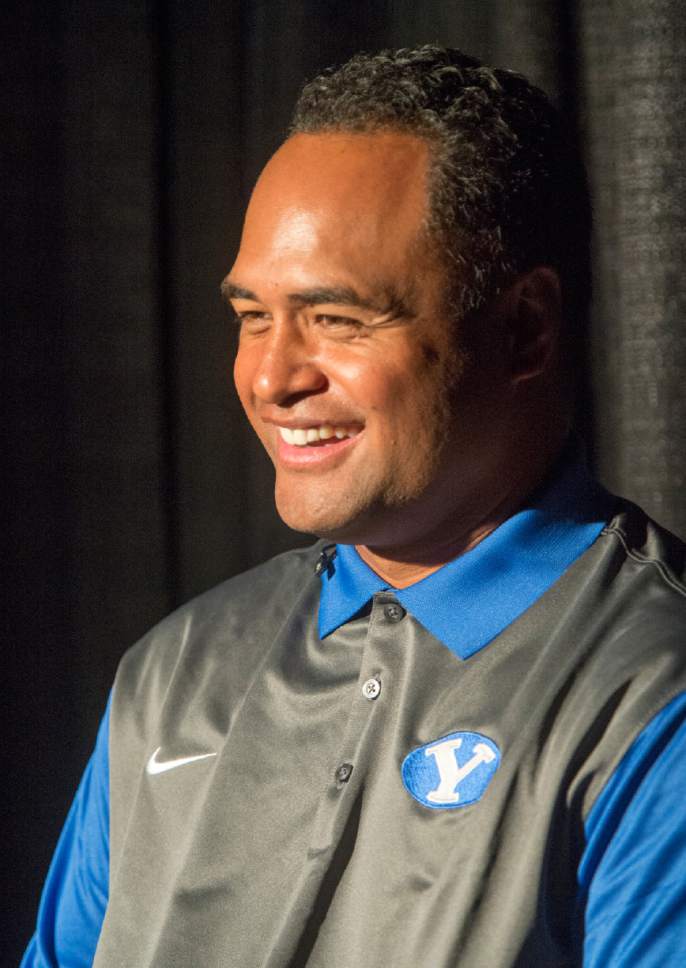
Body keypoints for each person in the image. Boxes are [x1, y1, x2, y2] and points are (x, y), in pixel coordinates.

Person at [23, 45, 686, 967]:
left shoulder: (653, 692)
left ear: (524, 329)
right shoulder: (172, 676)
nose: (270, 377)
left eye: (336, 319)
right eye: (253, 316)